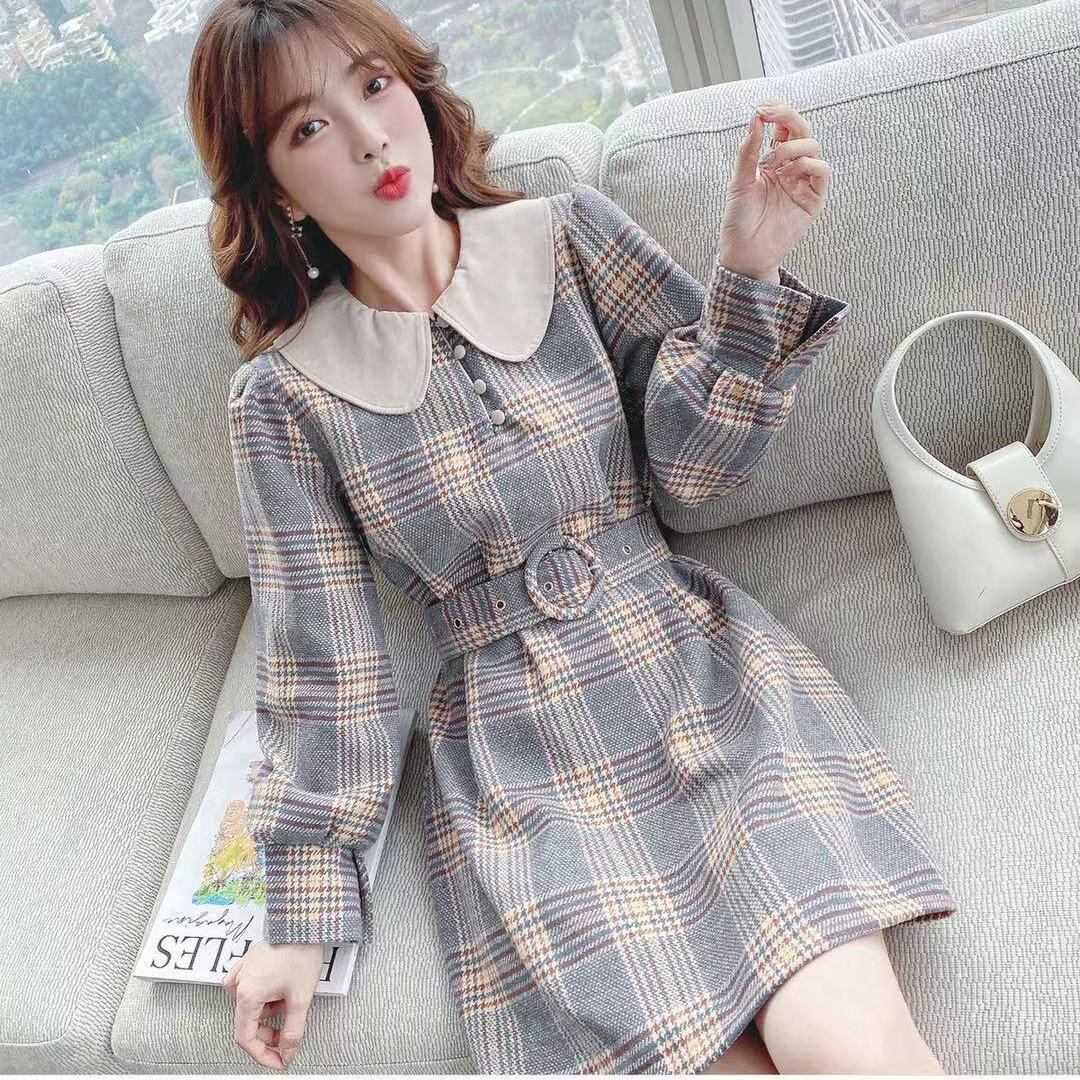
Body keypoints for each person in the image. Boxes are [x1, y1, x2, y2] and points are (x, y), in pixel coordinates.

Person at [189, 0, 960, 1072]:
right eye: (309, 127)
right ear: (275, 186)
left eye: (374, 85)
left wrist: (745, 271)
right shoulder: (282, 400)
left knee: (853, 1051)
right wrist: (300, 917)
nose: (368, 139)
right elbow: (325, 665)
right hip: (525, 777)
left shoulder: (567, 237)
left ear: (413, 87)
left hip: (701, 684)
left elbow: (696, 475)